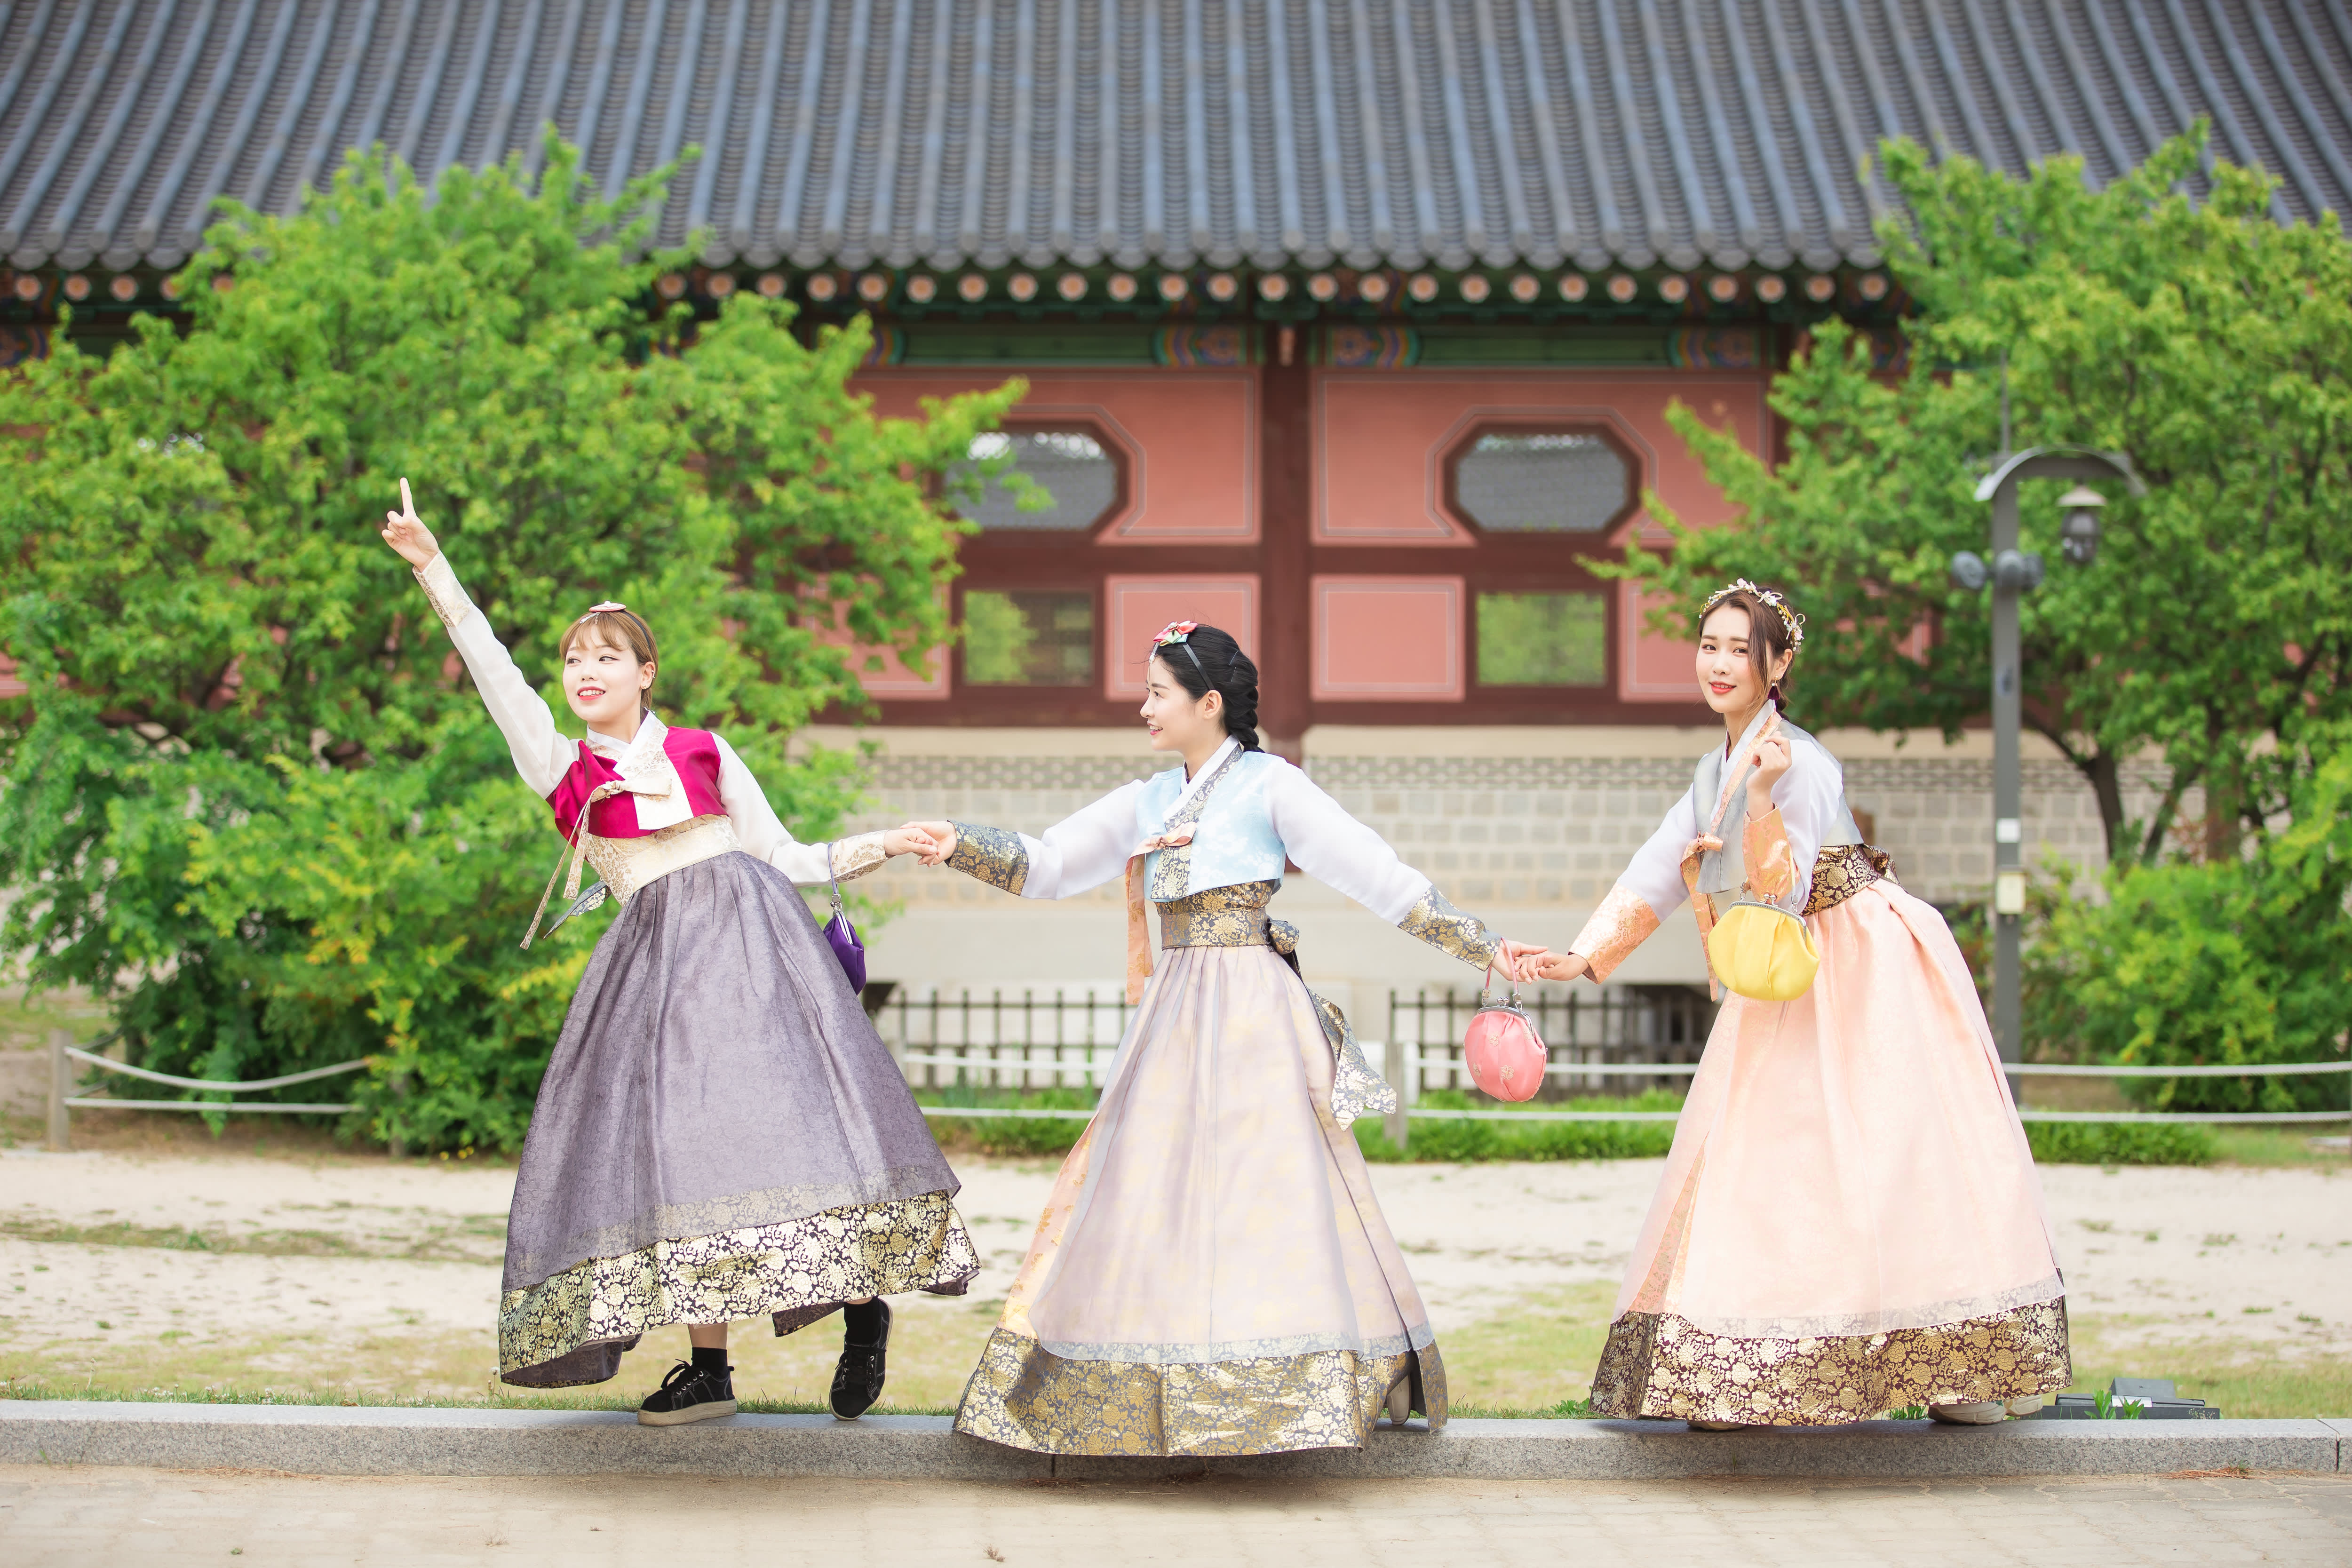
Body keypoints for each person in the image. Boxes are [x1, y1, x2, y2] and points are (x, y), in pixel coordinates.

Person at [378, 479, 978, 1425]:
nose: (586, 669)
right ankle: (711, 1368)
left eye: (607, 656)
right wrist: (433, 567)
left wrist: (885, 843)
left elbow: (783, 855)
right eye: (575, 657)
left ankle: (864, 1309)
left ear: (645, 672)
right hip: (653, 977)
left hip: (755, 960)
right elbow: (493, 671)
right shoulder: (563, 768)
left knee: (796, 1141)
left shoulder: (703, 749)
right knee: (686, 1163)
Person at [902, 621, 1534, 1457]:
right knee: (1148, 1192)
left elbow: (1376, 874)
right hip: (1173, 1015)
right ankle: (1165, 1388)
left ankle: (1271, 1391)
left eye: (1159, 692)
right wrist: (959, 844)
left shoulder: (1273, 786)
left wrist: (1485, 945)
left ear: (1210, 703)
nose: (1144, 707)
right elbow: (1053, 861)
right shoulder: (1148, 799)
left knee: (1262, 1200)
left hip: (1253, 1017)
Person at [1511, 580, 2070, 1428]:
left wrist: (1767, 800)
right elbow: (1661, 866)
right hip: (1781, 970)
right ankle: (1748, 1365)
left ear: (1778, 665)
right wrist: (1583, 955)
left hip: (1856, 960)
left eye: (1743, 649)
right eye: (1710, 646)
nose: (1722, 663)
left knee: (1895, 1154)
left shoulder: (1798, 761)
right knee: (1770, 1165)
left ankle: (1957, 1364)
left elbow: (1788, 887)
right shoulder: (1713, 769)